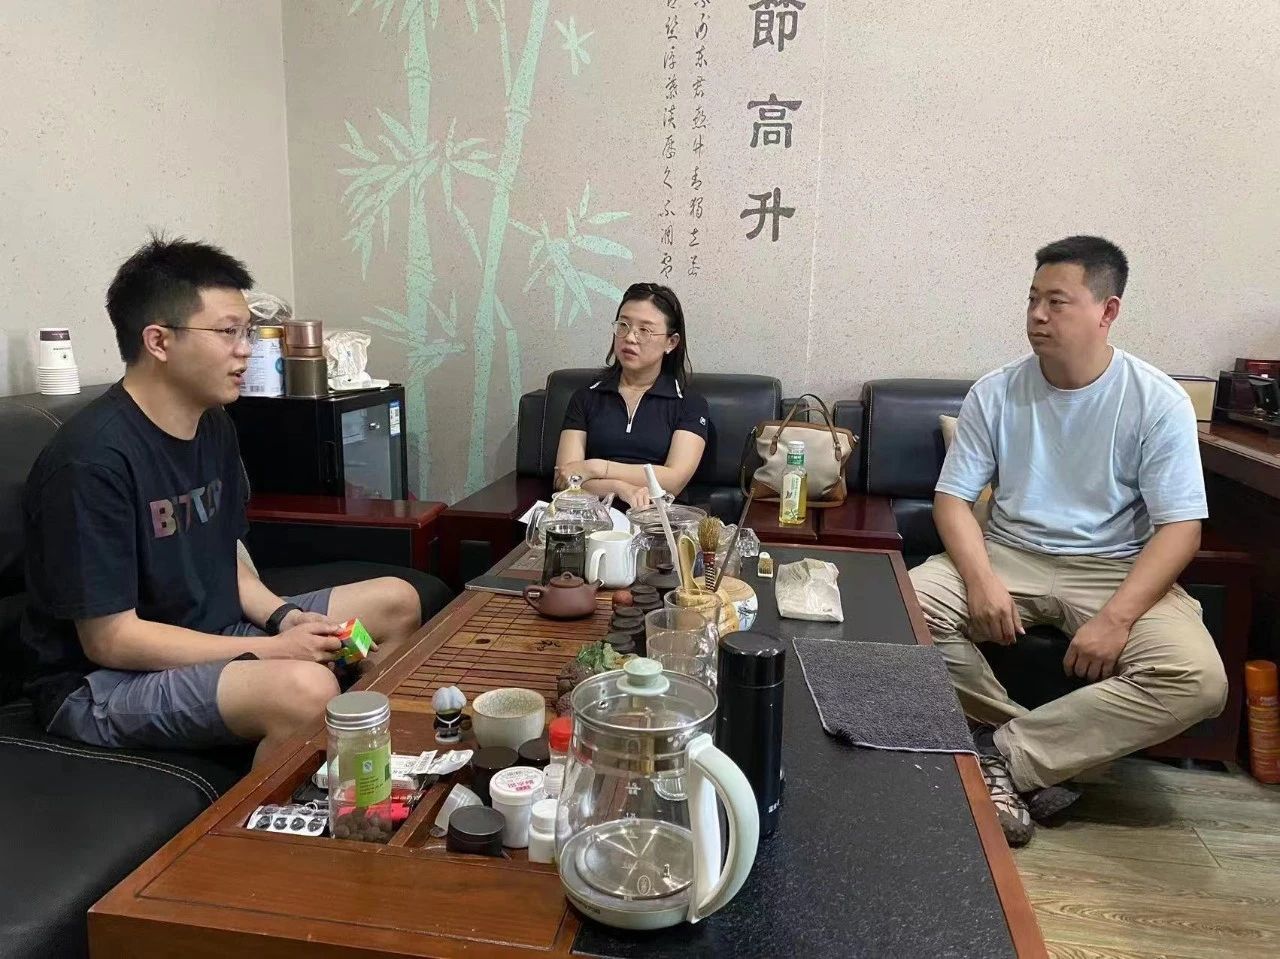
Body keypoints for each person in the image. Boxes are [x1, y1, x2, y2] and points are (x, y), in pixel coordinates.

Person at [19, 235, 423, 767]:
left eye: (246, 331)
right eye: (228, 332)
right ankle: (279, 805)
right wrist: (274, 652)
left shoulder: (212, 423)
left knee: (396, 601)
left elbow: (225, 552)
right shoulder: (91, 461)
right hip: (103, 682)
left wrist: (283, 619)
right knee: (305, 688)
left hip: (211, 631)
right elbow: (112, 640)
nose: (246, 349)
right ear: (159, 341)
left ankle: (359, 761)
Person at [909, 236, 1227, 846]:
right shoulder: (997, 391)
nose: (1037, 315)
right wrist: (980, 579)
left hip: (1113, 567)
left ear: (1108, 311)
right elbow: (952, 499)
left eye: (1056, 302)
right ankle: (1023, 755)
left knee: (1198, 678)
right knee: (902, 612)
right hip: (1007, 552)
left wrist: (1117, 617)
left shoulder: (1156, 400)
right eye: (1033, 299)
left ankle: (1002, 752)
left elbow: (1181, 527)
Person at [555, 282, 709, 510]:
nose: (629, 337)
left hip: (657, 518)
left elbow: (673, 481)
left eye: (644, 330)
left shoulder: (689, 404)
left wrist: (595, 468)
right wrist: (619, 488)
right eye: (623, 325)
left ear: (671, 342)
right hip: (593, 516)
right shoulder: (586, 397)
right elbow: (566, 479)